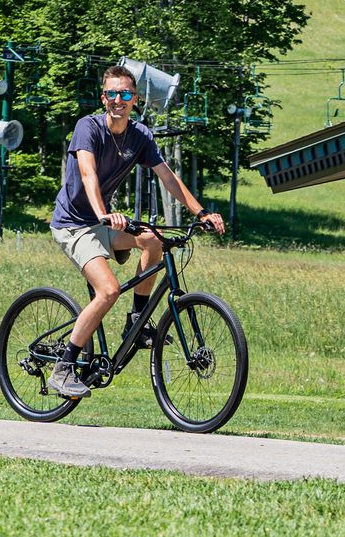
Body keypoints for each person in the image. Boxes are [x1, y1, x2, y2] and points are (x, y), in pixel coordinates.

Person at [49, 64, 224, 399]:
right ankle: (63, 367)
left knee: (152, 239)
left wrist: (201, 212)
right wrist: (103, 213)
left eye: (125, 94)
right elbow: (87, 174)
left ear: (135, 99)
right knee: (108, 291)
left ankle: (136, 320)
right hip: (75, 224)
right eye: (112, 94)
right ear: (104, 98)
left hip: (104, 223)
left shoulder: (140, 136)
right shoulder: (88, 128)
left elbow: (168, 176)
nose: (118, 100)